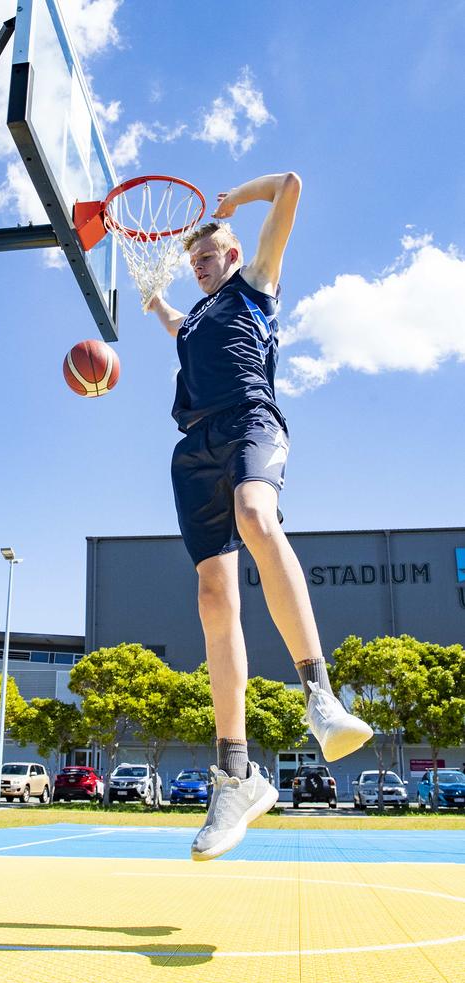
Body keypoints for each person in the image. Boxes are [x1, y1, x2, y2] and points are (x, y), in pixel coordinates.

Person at [148, 173, 372, 861]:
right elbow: (166, 312)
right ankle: (236, 775)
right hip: (194, 450)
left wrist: (232, 203)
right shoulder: (193, 322)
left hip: (251, 423)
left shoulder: (256, 286)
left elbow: (294, 187)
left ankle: (320, 696)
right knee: (214, 599)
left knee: (255, 512)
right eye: (195, 261)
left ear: (237, 256)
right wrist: (122, 260)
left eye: (211, 254)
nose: (202, 263)